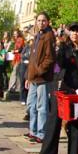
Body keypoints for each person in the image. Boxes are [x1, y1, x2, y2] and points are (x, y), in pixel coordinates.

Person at [37, 22, 78, 154]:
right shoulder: (64, 48)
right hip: (61, 89)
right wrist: (60, 44)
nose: (75, 33)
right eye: (73, 31)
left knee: (77, 125)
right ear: (69, 33)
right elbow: (59, 63)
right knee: (54, 122)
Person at [25, 12, 56, 143]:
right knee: (31, 105)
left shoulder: (49, 36)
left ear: (48, 22)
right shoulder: (38, 36)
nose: (41, 23)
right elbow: (32, 58)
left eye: (43, 20)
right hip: (33, 78)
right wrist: (28, 76)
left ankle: (41, 133)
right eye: (39, 20)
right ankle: (33, 130)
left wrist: (39, 70)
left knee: (41, 107)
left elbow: (50, 58)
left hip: (42, 78)